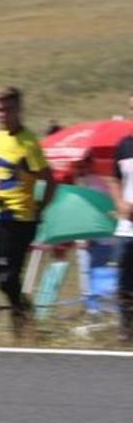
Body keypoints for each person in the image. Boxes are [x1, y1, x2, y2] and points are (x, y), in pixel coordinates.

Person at [0, 87, 55, 336]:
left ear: (19, 110)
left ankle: (23, 327)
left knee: (9, 278)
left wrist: (41, 207)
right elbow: (1, 173)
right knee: (1, 277)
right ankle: (26, 321)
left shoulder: (29, 143)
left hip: (23, 219)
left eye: (7, 109)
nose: (2, 114)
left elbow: (49, 179)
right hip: (2, 214)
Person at [105, 93, 133, 341]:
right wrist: (120, 202)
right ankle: (126, 329)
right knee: (124, 281)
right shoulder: (125, 145)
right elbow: (113, 178)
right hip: (126, 229)